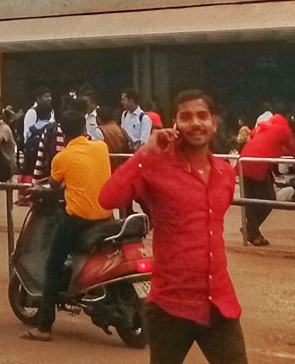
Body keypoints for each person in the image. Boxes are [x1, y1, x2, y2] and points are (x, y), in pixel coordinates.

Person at [98, 90, 246, 364]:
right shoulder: (156, 166)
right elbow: (108, 197)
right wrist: (146, 152)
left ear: (214, 122)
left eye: (202, 116)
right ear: (174, 123)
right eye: (186, 116)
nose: (195, 123)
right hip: (170, 305)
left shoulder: (224, 173)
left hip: (219, 304)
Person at [22, 107, 111, 342]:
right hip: (106, 217)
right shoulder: (101, 148)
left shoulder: (61, 158)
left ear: (62, 131)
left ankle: (43, 327)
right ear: (84, 127)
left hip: (77, 220)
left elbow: (53, 185)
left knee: (52, 266)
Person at [238, 110, 295, 246]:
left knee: (250, 202)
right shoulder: (283, 129)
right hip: (259, 167)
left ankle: (254, 232)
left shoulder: (259, 129)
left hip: (243, 164)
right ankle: (250, 229)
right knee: (269, 201)